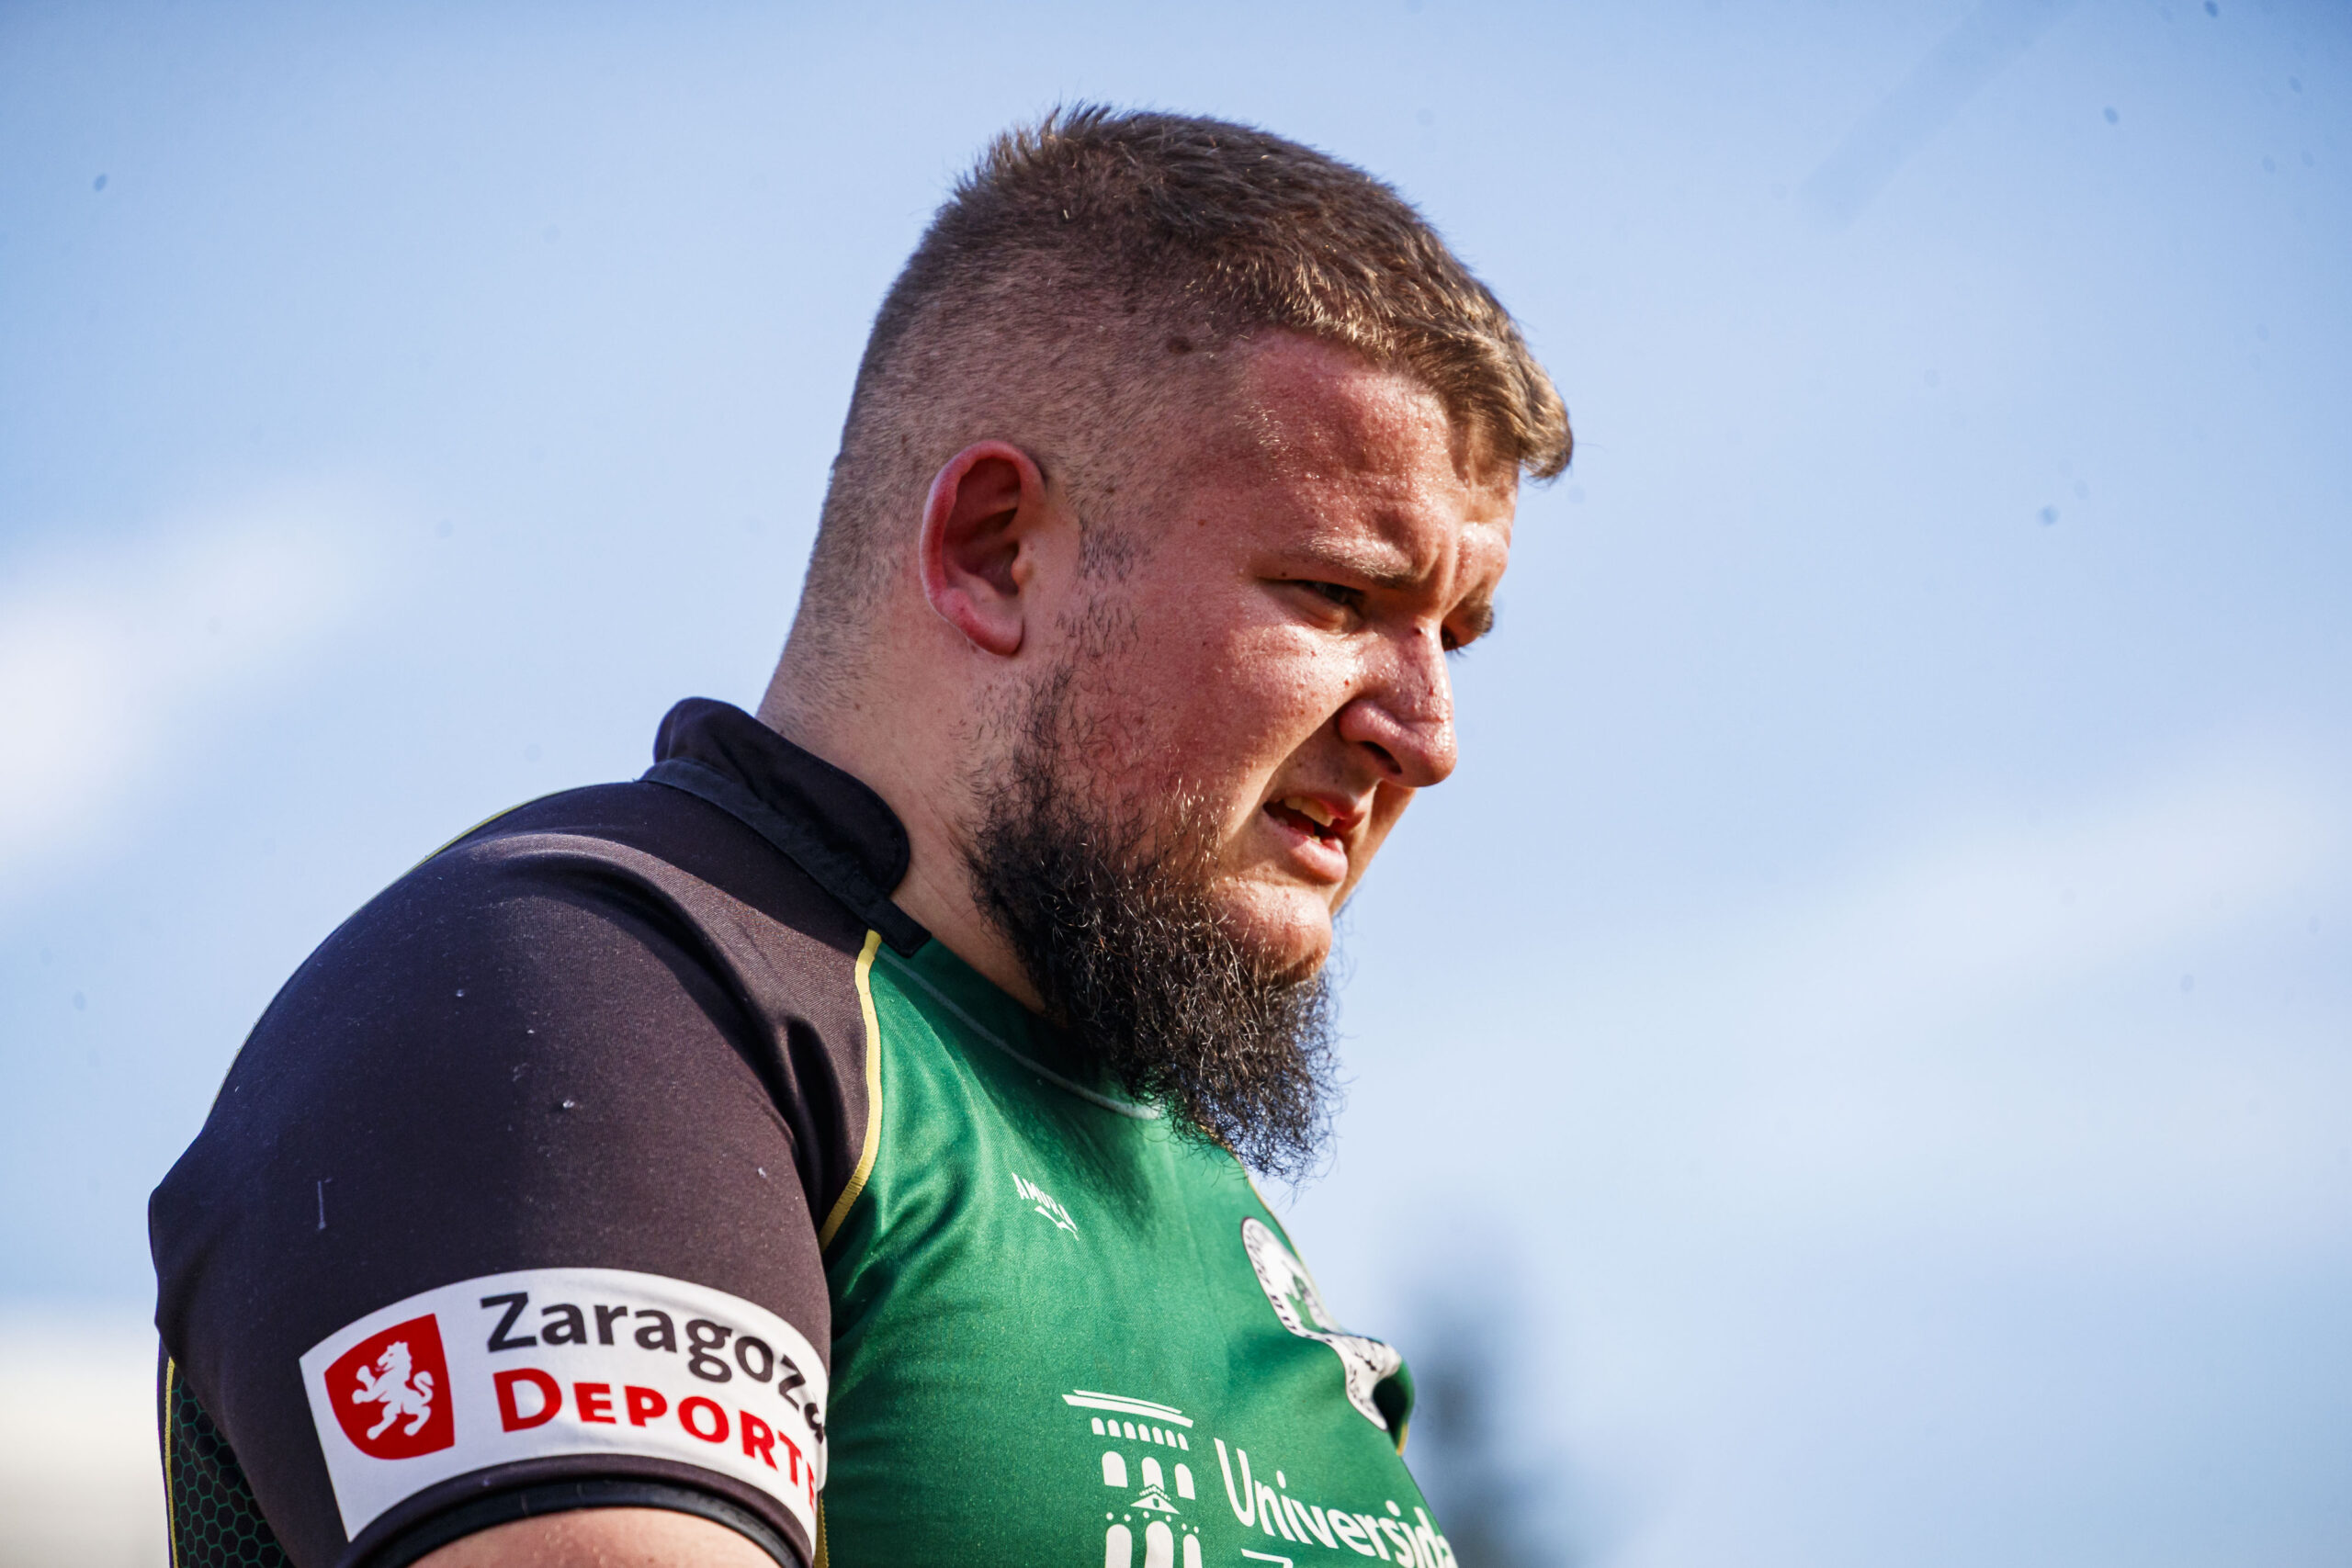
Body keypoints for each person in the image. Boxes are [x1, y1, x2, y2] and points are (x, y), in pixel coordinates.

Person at [149, 106, 1569, 1568]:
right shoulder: (589, 994)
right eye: (1340, 598)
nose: (1429, 733)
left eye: (1456, 634)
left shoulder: (1212, 1213)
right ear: (993, 552)